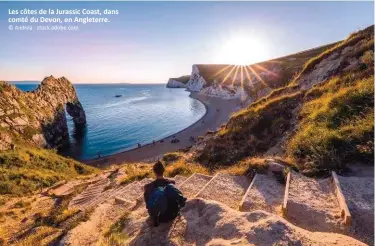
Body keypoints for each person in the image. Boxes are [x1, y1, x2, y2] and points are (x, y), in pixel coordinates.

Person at [144, 161, 187, 226]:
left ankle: (155, 215)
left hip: (159, 218)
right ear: (164, 170)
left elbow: (147, 204)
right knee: (170, 188)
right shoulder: (171, 182)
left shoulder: (148, 187)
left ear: (154, 172)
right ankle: (182, 200)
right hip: (172, 214)